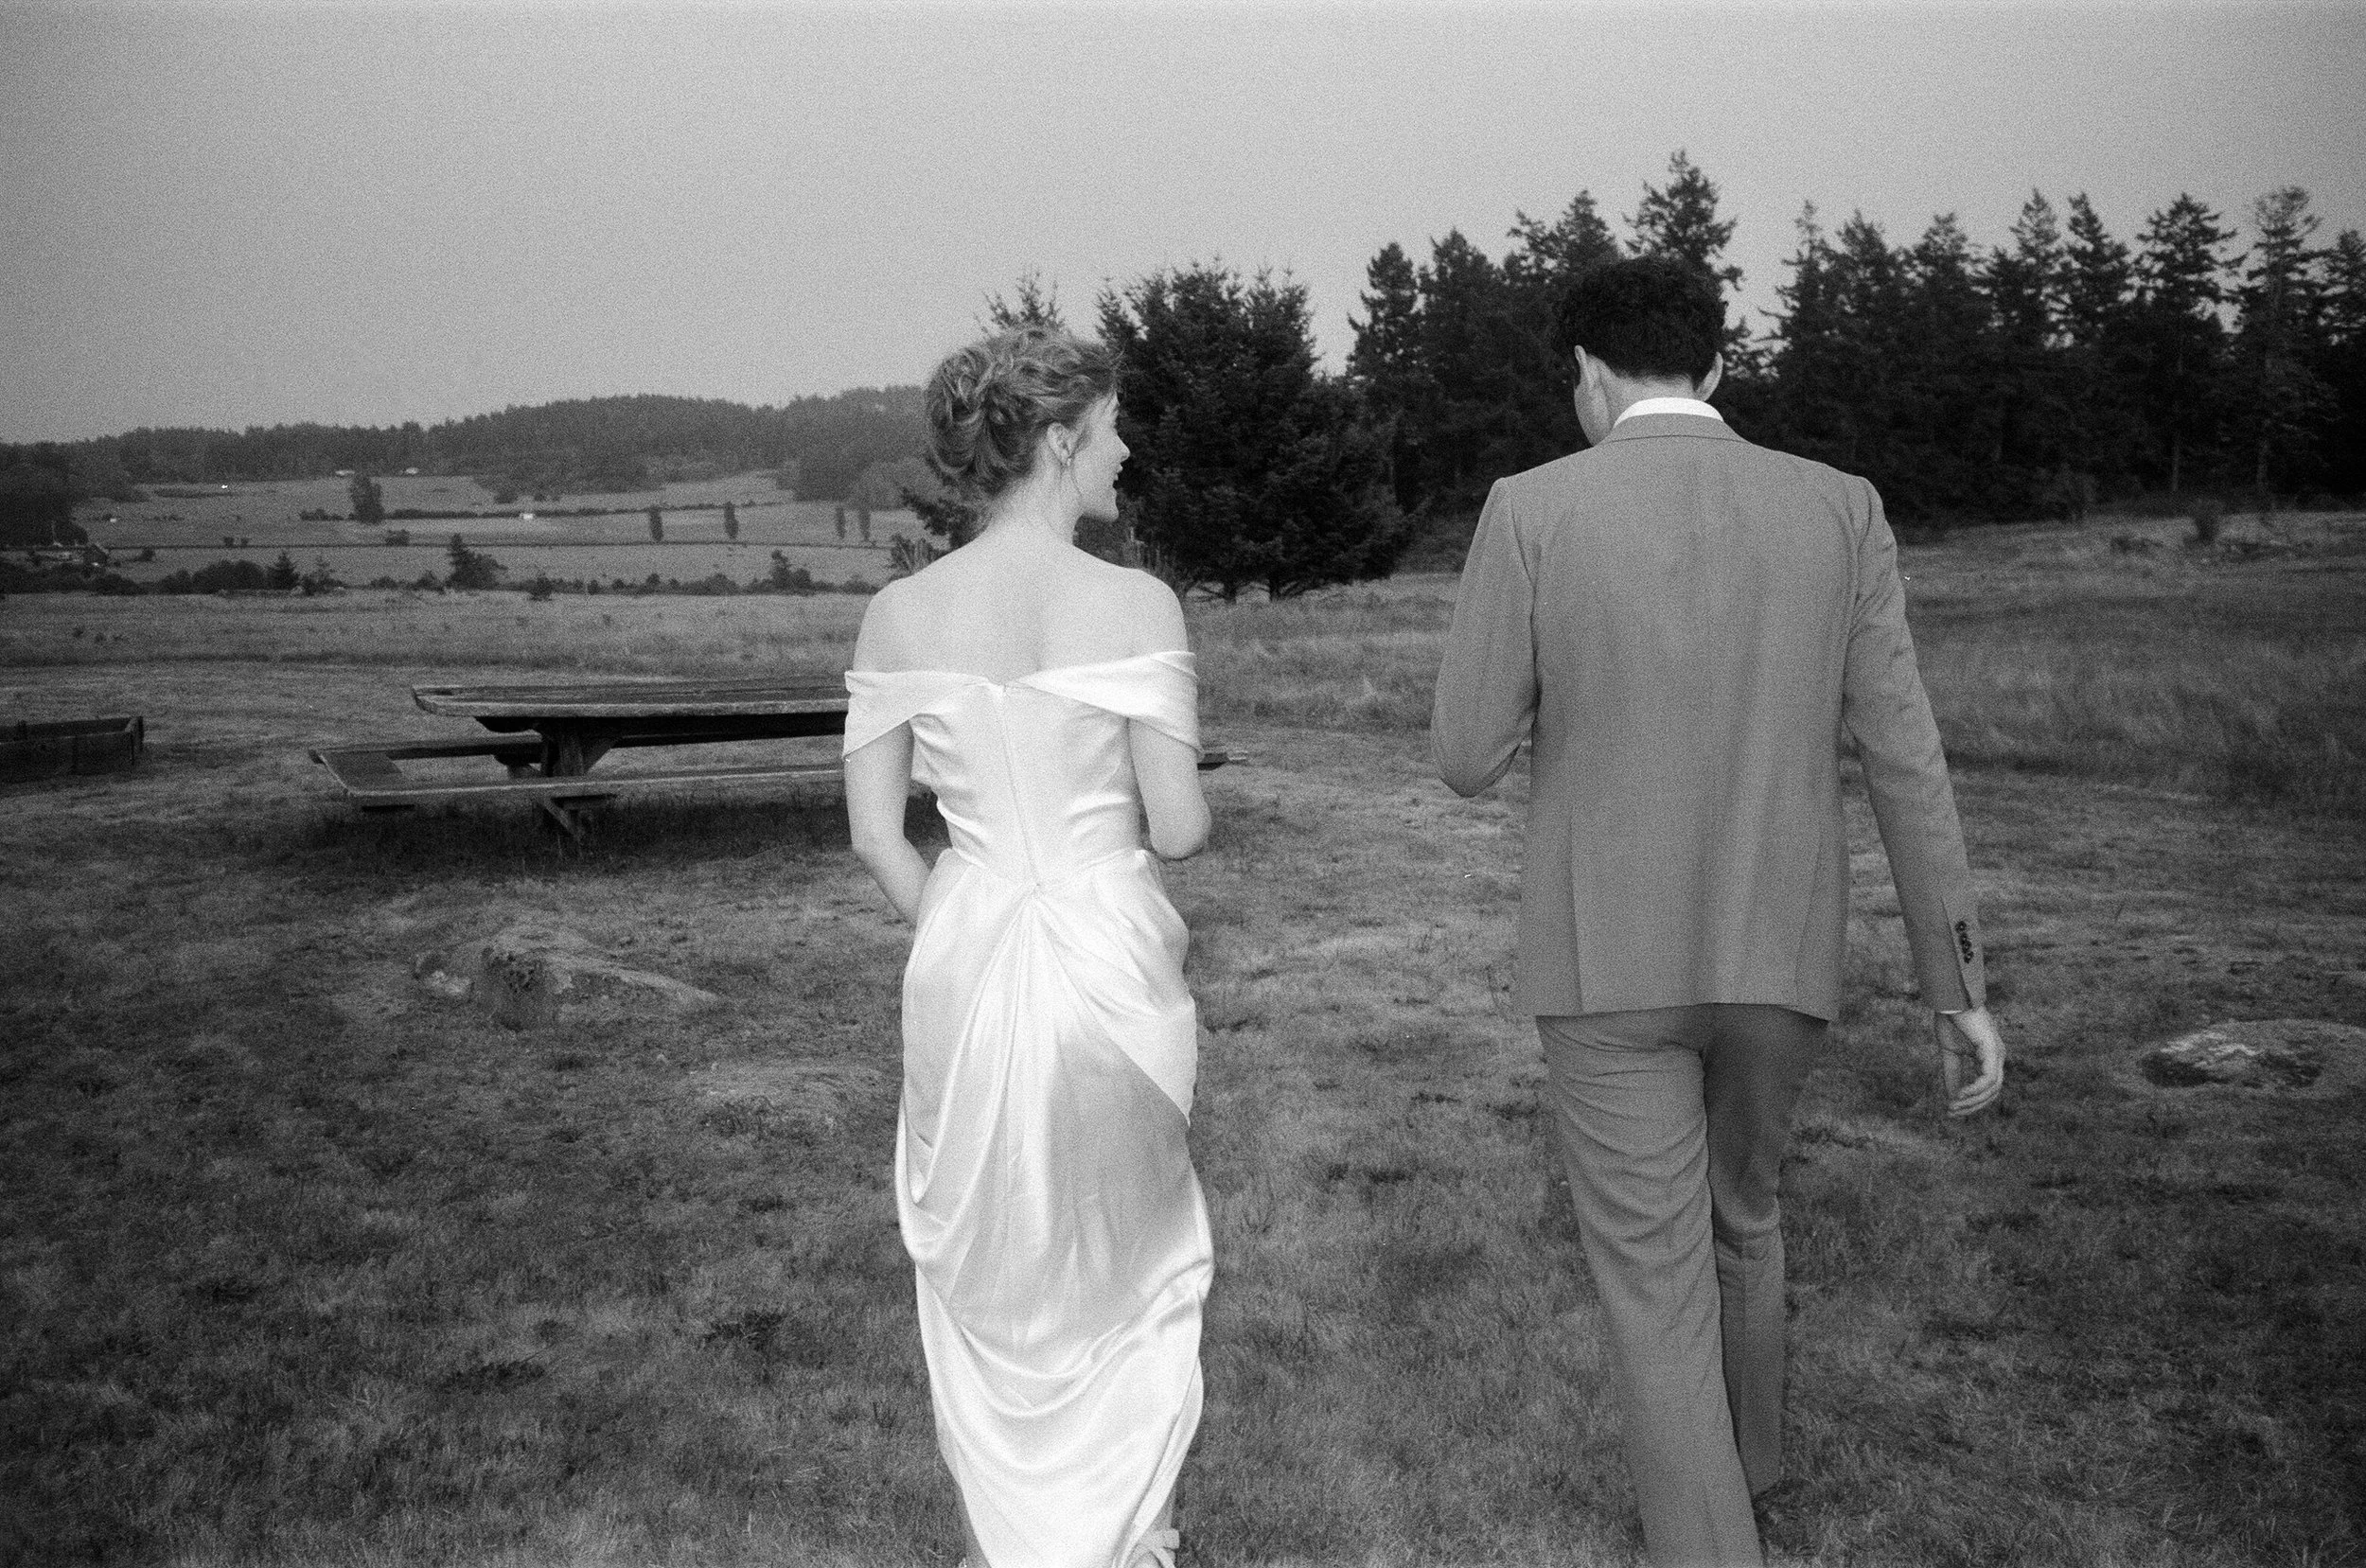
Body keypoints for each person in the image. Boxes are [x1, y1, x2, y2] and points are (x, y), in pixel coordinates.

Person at [1430, 256, 2006, 1568]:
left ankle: (1712, 1543)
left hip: (1604, 965)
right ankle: (1753, 1469)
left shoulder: (1530, 508)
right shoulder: (1841, 508)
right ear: (1719, 366)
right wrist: (1958, 986)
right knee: (1744, 1214)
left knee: (1655, 1288)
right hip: (1779, 957)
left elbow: (1465, 754)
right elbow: (1905, 756)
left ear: (1586, 372)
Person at [840, 325, 1213, 1568]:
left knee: (991, 1270)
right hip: (1112, 969)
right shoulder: (1136, 603)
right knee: (1127, 1259)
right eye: (1110, 428)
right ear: (1059, 441)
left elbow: (878, 838)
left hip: (965, 970)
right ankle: (1120, 1534)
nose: (1126, 449)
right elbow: (1179, 826)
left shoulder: (899, 614)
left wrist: (971, 923)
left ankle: (1010, 1541)